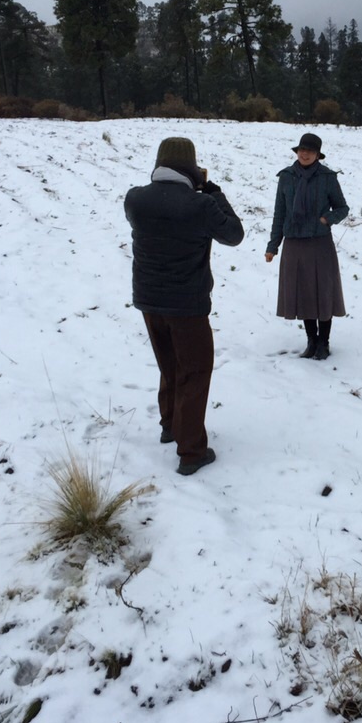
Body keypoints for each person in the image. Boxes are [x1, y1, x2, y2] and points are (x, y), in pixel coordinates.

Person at [125, 137, 243, 475]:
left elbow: (161, 204)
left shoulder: (135, 200)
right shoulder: (200, 205)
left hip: (149, 300)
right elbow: (234, 234)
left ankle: (169, 425)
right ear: (192, 166)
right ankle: (191, 451)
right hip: (187, 304)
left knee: (170, 365)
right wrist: (213, 192)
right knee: (195, 371)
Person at [265, 132, 349, 360]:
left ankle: (324, 342)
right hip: (294, 244)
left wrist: (326, 219)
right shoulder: (286, 177)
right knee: (302, 293)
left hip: (319, 243)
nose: (304, 154)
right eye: (302, 150)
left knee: (323, 292)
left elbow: (342, 208)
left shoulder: (327, 177)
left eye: (310, 151)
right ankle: (311, 341)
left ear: (317, 155)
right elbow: (279, 213)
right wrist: (273, 245)